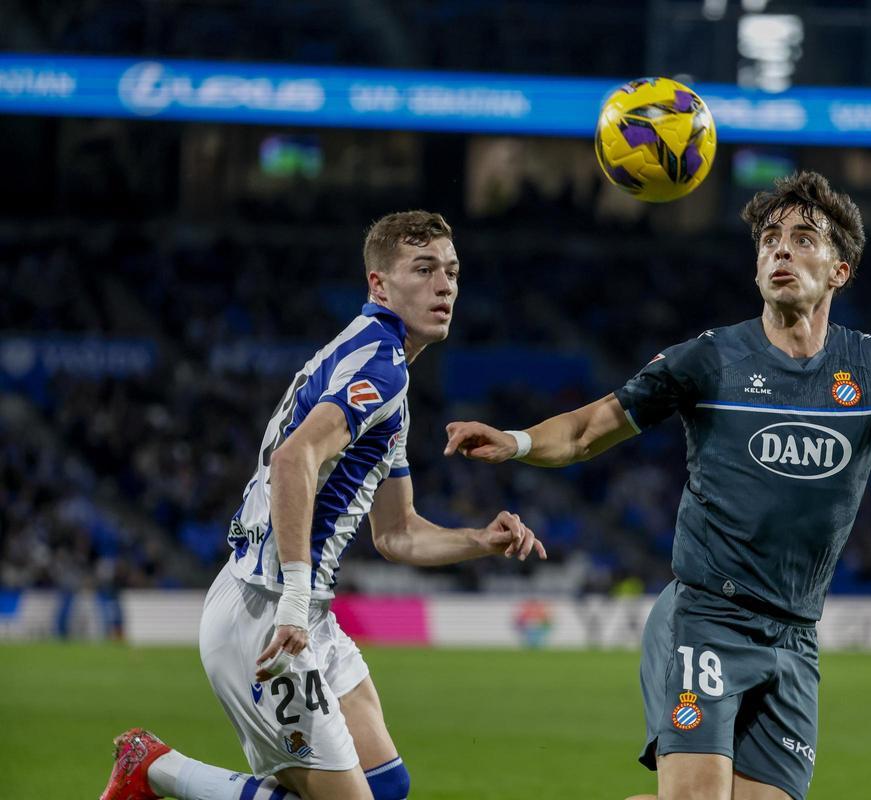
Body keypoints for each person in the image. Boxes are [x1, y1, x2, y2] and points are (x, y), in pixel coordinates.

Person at [443, 172, 871, 800]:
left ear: (840, 269)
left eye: (803, 239)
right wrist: (519, 442)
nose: (780, 250)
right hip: (707, 616)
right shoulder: (708, 359)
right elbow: (592, 428)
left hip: (794, 637)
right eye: (770, 238)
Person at [100, 211, 545, 800]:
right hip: (268, 615)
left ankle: (155, 769)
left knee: (388, 786)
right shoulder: (378, 366)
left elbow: (398, 533)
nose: (445, 286)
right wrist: (293, 597)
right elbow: (292, 460)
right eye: (424, 269)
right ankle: (155, 768)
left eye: (452, 271)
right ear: (378, 285)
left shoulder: (381, 371)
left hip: (299, 613)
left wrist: (479, 540)